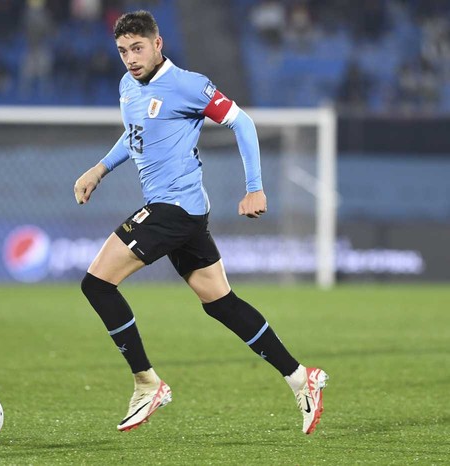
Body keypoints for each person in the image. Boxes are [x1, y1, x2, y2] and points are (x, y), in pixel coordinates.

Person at [74, 10, 328, 434]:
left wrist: (255, 187)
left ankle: (146, 383)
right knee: (220, 302)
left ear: (158, 44)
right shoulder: (127, 86)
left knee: (96, 283)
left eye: (138, 48)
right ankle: (302, 378)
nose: (130, 58)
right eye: (122, 51)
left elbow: (241, 122)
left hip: (174, 209)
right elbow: (134, 132)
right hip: (181, 211)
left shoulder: (188, 85)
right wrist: (100, 168)